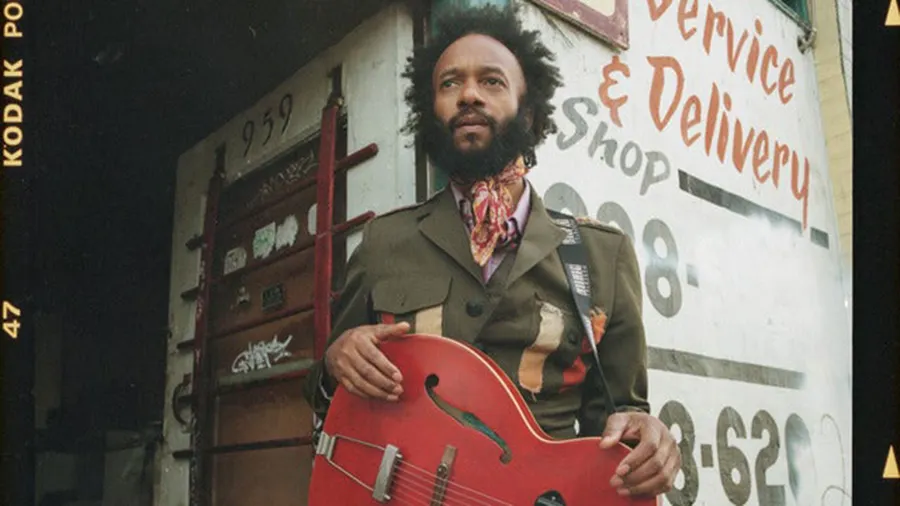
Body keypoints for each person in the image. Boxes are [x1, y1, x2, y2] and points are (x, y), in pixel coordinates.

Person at [303, 4, 680, 498]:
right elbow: (323, 393)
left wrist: (649, 440)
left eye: (492, 81)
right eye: (450, 84)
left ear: (528, 110)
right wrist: (336, 361)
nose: (469, 95)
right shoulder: (384, 242)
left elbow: (619, 420)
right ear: (430, 112)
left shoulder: (600, 255)